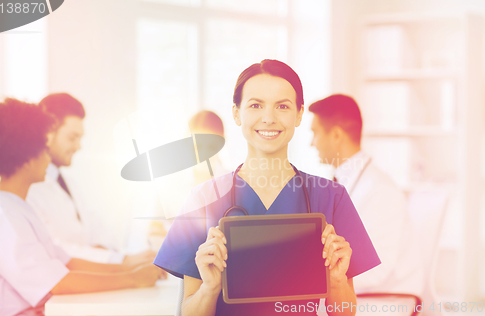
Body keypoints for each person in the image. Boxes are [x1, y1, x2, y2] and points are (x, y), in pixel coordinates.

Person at [153, 60, 381, 316]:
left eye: (282, 106)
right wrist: (210, 288)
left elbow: (345, 312)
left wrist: (337, 282)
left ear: (298, 115)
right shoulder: (202, 199)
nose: (269, 118)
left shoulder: (331, 198)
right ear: (237, 113)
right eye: (255, 105)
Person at [0, 99, 163, 316]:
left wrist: (131, 269)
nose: (47, 154)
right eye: (43, 147)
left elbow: (67, 263)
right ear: (26, 158)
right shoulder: (5, 215)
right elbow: (56, 283)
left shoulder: (16, 207)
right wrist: (132, 278)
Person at [309, 94, 423, 295]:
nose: (312, 143)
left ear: (336, 135)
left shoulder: (379, 190)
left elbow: (377, 270)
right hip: (353, 292)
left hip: (384, 299)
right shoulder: (342, 182)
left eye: (315, 133)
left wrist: (316, 274)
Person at [27, 93, 154, 265]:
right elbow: (55, 250)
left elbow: (99, 232)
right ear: (48, 133)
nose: (78, 146)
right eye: (72, 137)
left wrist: (104, 253)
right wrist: (121, 260)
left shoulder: (68, 184)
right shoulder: (29, 187)